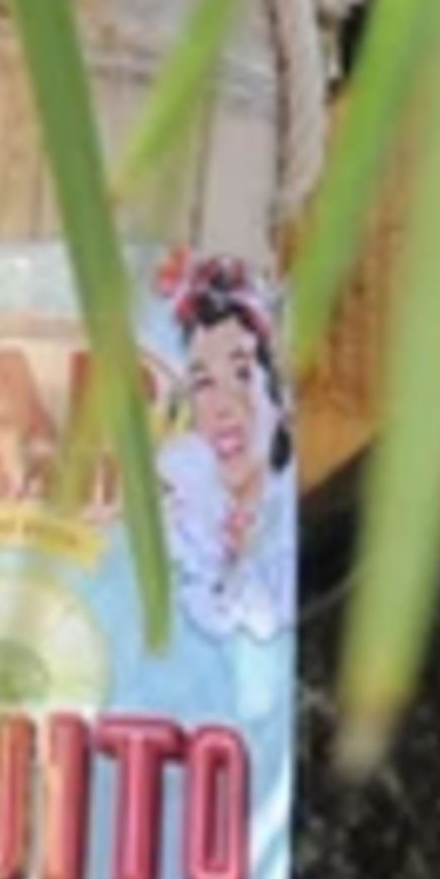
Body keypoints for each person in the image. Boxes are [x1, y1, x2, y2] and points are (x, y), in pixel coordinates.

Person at [155, 255, 296, 644]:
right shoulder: (183, 513)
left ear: (279, 395)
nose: (223, 405)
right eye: (203, 383)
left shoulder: (292, 518)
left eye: (242, 374)